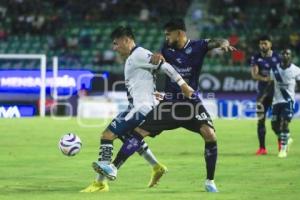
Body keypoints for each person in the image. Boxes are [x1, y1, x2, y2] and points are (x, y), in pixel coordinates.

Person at [96, 18, 236, 192]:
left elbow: (217, 41)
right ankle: (114, 167)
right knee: (139, 132)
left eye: (168, 34)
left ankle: (210, 181)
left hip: (190, 101)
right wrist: (156, 58)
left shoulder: (198, 46)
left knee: (210, 135)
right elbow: (156, 61)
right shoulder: (166, 49)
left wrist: (224, 44)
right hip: (169, 103)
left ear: (179, 33)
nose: (166, 37)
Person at [81, 26, 194, 192]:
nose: (114, 48)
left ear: (126, 40)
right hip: (140, 106)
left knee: (107, 135)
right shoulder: (133, 57)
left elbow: (166, 67)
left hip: (140, 108)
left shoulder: (139, 54)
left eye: (116, 43)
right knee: (131, 139)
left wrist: (183, 85)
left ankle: (100, 182)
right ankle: (157, 167)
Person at [250, 35, 281, 155]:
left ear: (270, 44)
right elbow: (254, 75)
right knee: (260, 120)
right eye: (261, 43)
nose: (263, 46)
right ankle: (262, 148)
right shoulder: (256, 57)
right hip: (262, 94)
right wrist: (266, 78)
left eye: (265, 43)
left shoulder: (277, 57)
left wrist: (274, 79)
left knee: (276, 123)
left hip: (276, 94)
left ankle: (282, 143)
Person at [270, 48, 299, 158]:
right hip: (276, 101)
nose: (285, 55)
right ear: (280, 56)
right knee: (274, 126)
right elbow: (270, 85)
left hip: (288, 101)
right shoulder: (274, 70)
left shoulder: (296, 70)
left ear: (291, 56)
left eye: (288, 53)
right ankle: (287, 138)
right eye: (283, 53)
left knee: (284, 122)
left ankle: (283, 149)